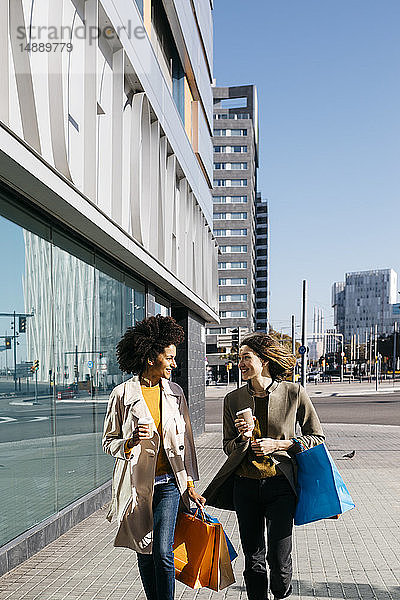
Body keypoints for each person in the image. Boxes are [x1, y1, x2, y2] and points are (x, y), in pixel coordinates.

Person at [203, 332, 324, 600]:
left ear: (264, 360)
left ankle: (281, 592)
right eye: (239, 358)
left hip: (281, 485)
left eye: (247, 357)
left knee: (279, 559)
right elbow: (227, 446)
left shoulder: (294, 393)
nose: (241, 363)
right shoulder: (232, 400)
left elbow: (317, 437)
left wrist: (279, 446)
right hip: (244, 486)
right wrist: (242, 439)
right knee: (253, 556)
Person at [103, 315, 205, 600]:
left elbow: (187, 443)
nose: (174, 364)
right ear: (151, 357)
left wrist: (190, 485)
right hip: (137, 486)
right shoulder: (122, 394)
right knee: (144, 551)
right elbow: (108, 442)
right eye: (169, 357)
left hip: (170, 483)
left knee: (162, 550)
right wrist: (132, 440)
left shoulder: (176, 393)